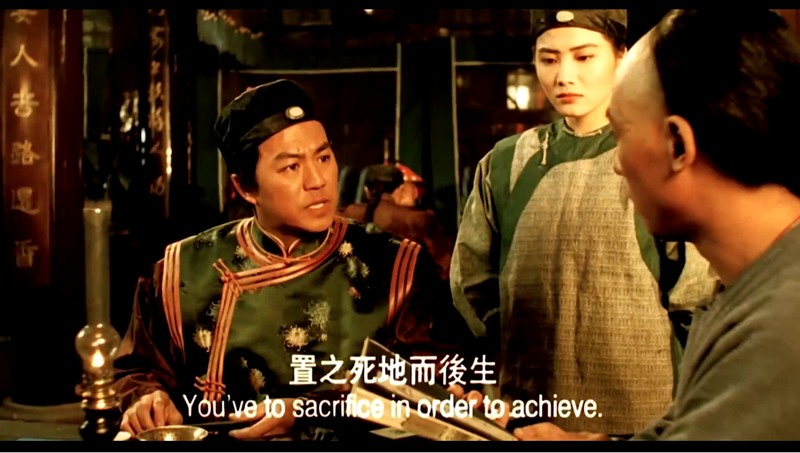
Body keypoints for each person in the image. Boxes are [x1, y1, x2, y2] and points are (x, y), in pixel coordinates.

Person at [112, 79, 473, 440]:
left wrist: (306, 412)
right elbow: (137, 371)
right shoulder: (181, 272)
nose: (317, 180)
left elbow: (433, 390)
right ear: (245, 188)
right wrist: (147, 399)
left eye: (324, 158)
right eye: (291, 167)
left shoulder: (396, 266)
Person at [513, 8, 800, 441]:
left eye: (622, 133)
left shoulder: (780, 329)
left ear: (678, 144)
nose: (617, 164)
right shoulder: (752, 294)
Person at [449, 9, 720, 436]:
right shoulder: (505, 163)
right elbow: (472, 283)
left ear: (622, 56)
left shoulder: (660, 155)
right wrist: (514, 346)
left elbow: (699, 295)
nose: (564, 76)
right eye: (549, 59)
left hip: (642, 412)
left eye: (584, 57)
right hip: (526, 413)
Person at [341, 164, 454, 281]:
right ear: (401, 188)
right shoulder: (418, 219)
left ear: (366, 191)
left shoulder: (348, 214)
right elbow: (445, 268)